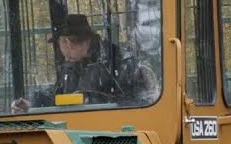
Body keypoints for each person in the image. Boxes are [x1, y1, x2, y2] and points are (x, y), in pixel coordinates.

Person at [12, 14, 155, 112]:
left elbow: (135, 104)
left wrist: (88, 100)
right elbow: (60, 95)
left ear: (67, 42)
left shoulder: (119, 62)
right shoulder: (74, 64)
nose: (61, 51)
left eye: (58, 44)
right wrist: (32, 104)